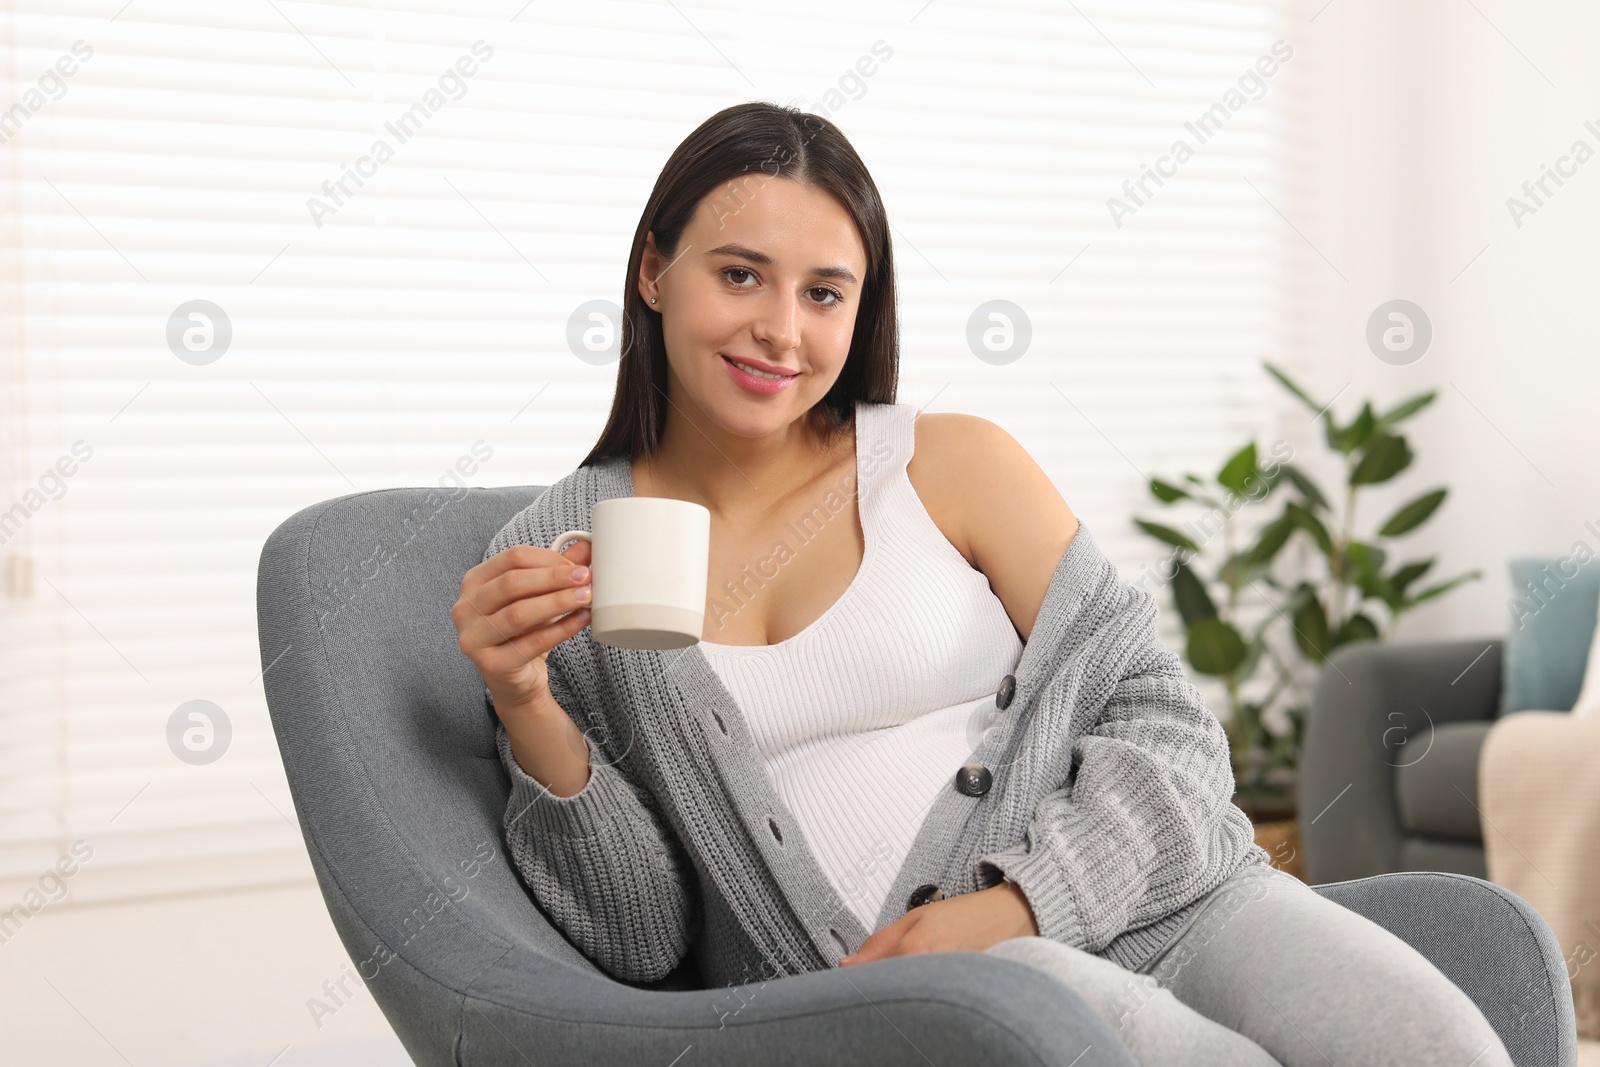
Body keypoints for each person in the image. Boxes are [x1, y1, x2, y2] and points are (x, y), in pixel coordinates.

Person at [450, 101, 1513, 1067]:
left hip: (1163, 898)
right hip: (932, 998)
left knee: (1443, 1044)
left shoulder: (949, 462)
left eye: (823, 292)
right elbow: (640, 941)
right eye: (739, 274)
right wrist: (525, 702)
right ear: (652, 271)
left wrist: (1020, 901)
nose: (781, 328)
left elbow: (1165, 722)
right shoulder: (564, 555)